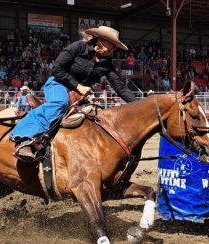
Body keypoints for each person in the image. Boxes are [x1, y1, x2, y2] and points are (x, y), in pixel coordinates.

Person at [9, 26, 137, 161]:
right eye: (110, 46)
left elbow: (120, 88)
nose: (112, 50)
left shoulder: (107, 63)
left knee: (94, 116)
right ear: (100, 40)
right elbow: (57, 69)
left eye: (113, 48)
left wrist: (140, 104)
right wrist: (78, 86)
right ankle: (23, 138)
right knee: (60, 103)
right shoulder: (78, 47)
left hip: (77, 94)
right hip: (57, 84)